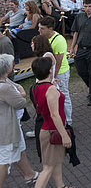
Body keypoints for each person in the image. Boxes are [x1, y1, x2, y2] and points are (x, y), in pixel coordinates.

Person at [31, 56, 73, 188]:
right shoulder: (51, 90)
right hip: (52, 130)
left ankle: (61, 186)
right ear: (49, 70)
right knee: (48, 168)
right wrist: (64, 135)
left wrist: (52, 86)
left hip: (45, 129)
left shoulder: (36, 87)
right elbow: (55, 115)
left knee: (56, 162)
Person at [0, 53, 39, 188]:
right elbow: (21, 102)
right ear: (7, 69)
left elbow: (16, 87)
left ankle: (30, 174)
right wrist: (21, 92)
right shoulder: (4, 88)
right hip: (6, 129)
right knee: (4, 162)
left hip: (12, 126)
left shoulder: (6, 82)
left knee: (20, 150)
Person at [37, 17, 73, 126]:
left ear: (51, 28)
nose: (39, 31)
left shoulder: (59, 40)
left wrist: (53, 78)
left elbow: (58, 62)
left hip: (60, 73)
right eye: (39, 28)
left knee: (63, 95)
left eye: (42, 28)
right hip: (49, 73)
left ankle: (68, 121)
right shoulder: (44, 38)